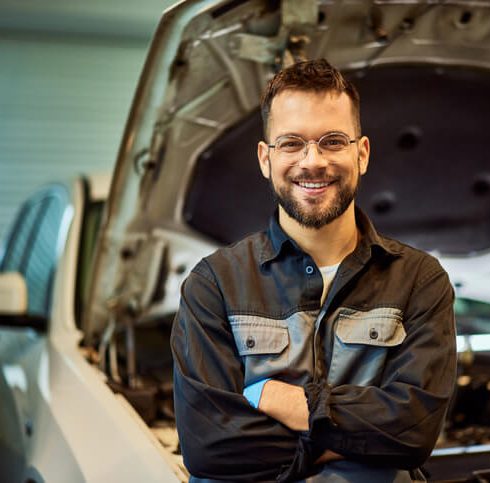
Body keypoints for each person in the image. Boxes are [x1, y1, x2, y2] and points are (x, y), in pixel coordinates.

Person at [171, 59, 457, 482]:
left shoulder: (419, 279)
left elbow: (412, 431)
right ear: (265, 159)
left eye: (332, 141)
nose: (313, 161)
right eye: (291, 143)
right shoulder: (215, 283)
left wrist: (287, 404)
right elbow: (210, 446)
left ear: (361, 154)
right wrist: (339, 445)